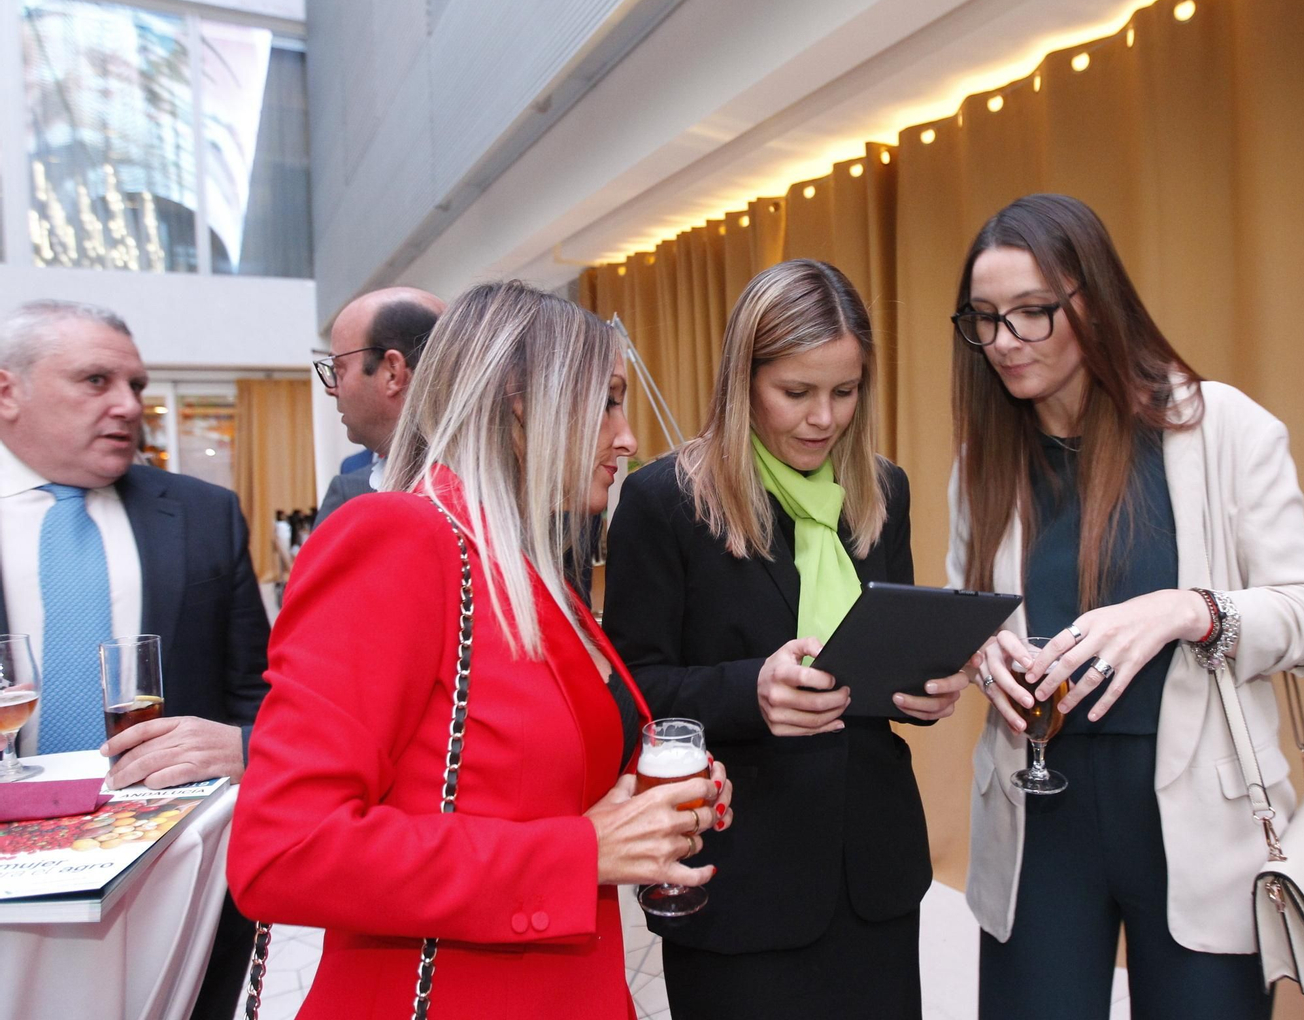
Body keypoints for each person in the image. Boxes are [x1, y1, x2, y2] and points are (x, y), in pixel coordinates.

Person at [228, 282, 735, 1018]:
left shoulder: (522, 565)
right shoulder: (400, 541)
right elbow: (284, 849)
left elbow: (522, 772)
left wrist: (646, 798)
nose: (626, 438)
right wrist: (580, 853)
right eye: (607, 401)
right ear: (521, 402)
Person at [947, 195, 1304, 1019]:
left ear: (1093, 300)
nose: (1004, 343)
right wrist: (982, 651)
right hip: (1038, 816)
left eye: (1032, 313)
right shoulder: (983, 462)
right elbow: (971, 606)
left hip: (1199, 818)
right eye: (984, 319)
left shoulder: (1221, 428)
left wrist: (1188, 609)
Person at [603, 258, 968, 1020]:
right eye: (796, 393)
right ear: (743, 381)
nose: (823, 418)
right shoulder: (664, 501)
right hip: (739, 880)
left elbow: (872, 665)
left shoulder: (880, 489)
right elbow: (628, 691)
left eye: (845, 391)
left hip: (873, 871)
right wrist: (750, 692)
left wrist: (923, 685)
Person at [0, 299, 271, 1020]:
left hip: (172, 878)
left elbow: (258, 688)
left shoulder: (206, 513)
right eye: (95, 381)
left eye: (138, 386)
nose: (127, 405)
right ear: (7, 392)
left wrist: (247, 752)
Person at [312, 286, 444, 528]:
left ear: (393, 373)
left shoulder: (352, 501)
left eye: (339, 369)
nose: (331, 389)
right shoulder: (505, 479)